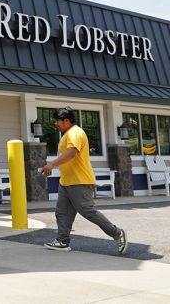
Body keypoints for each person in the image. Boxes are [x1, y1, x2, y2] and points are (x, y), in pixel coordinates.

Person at [41, 107, 128, 254]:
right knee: (62, 212)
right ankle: (62, 241)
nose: (56, 124)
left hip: (79, 181)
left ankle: (117, 233)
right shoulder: (68, 133)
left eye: (57, 121)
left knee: (88, 211)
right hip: (66, 181)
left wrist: (52, 164)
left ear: (66, 120)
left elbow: (71, 153)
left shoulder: (75, 132)